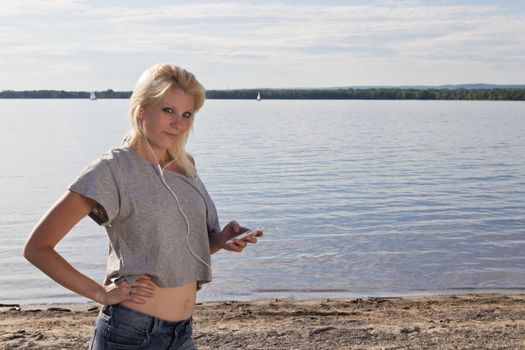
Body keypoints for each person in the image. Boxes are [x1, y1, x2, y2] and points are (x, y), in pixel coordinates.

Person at [23, 63, 262, 349]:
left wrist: (222, 240)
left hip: (182, 334)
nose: (179, 123)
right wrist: (100, 293)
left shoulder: (186, 166)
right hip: (131, 334)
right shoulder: (112, 170)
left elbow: (177, 249)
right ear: (141, 109)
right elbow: (37, 248)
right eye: (168, 110)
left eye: (187, 114)